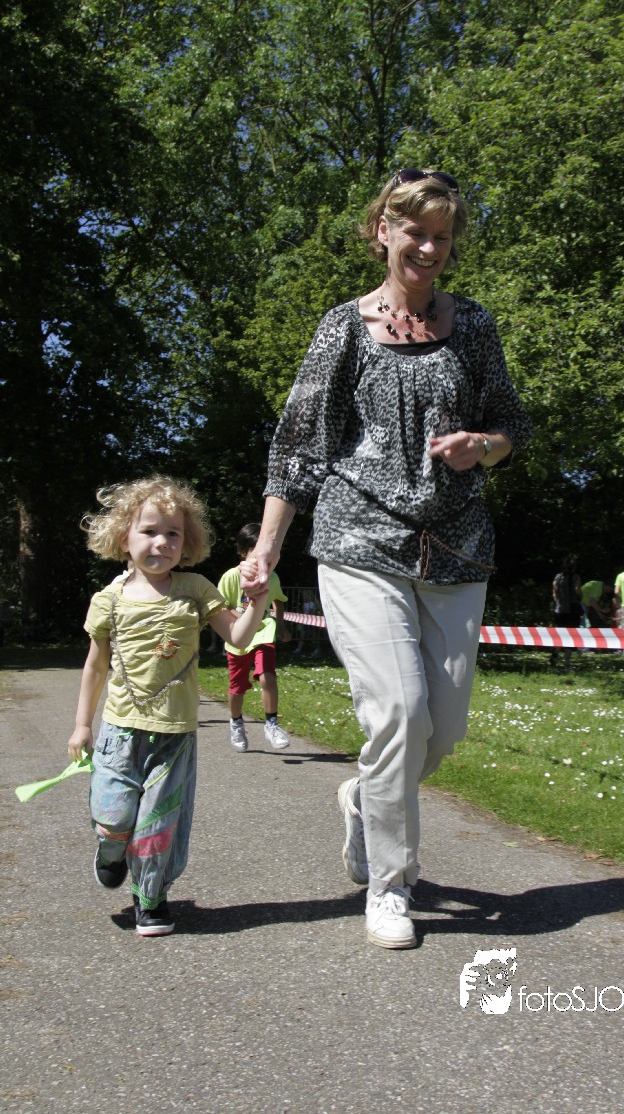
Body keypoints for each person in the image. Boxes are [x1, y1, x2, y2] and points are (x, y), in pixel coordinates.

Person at [244, 168, 532, 949]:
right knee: (400, 712)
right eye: (416, 232)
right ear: (383, 230)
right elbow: (298, 448)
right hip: (358, 539)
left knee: (443, 728)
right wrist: (266, 550)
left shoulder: (473, 325)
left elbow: (513, 423)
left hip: (457, 548)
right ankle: (391, 885)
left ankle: (365, 798)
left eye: (443, 236)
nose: (430, 249)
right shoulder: (343, 328)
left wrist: (485, 446)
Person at [67, 477, 269, 937]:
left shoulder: (195, 589)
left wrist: (255, 601)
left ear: (187, 541)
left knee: (158, 823)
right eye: (149, 531)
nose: (162, 542)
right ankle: (111, 850)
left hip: (174, 736)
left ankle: (150, 898)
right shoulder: (108, 600)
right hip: (119, 731)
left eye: (173, 533)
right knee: (114, 817)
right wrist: (82, 725)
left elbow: (238, 638)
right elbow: (95, 667)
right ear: (124, 538)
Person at [218, 521, 291, 752]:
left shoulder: (273, 577)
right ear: (243, 552)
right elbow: (221, 606)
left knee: (268, 677)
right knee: (237, 687)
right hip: (238, 638)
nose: (260, 558)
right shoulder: (230, 577)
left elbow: (278, 601)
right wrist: (239, 618)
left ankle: (272, 724)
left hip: (263, 633)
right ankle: (236, 723)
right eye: (254, 551)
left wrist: (280, 626)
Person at [550, 556, 583, 670]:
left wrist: (559, 602)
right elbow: (577, 590)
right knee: (570, 636)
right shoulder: (576, 577)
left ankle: (555, 652)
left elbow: (554, 593)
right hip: (572, 610)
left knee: (560, 634)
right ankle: (567, 663)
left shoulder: (557, 577)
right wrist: (580, 597)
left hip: (559, 610)